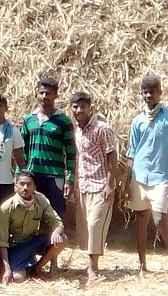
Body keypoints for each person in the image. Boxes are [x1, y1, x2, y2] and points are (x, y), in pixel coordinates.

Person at [124, 75, 168, 284]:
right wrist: (127, 180)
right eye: (145, 91)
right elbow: (131, 152)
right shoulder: (137, 120)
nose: (148, 95)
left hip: (161, 177)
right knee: (141, 219)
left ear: (160, 92)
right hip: (139, 175)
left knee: (160, 220)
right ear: (141, 93)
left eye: (152, 91)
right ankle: (142, 266)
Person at [21, 77, 74, 272]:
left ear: (56, 95)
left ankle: (52, 261)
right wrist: (20, 175)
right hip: (32, 176)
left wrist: (70, 178)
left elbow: (71, 152)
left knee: (55, 219)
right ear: (36, 93)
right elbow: (22, 151)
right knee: (32, 218)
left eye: (49, 93)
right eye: (42, 92)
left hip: (54, 177)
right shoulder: (28, 119)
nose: (45, 96)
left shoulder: (63, 121)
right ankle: (30, 259)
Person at [70, 91, 117, 284]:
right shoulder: (77, 130)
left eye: (83, 106)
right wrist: (74, 185)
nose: (79, 110)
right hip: (84, 185)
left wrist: (110, 183)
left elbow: (112, 156)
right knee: (86, 229)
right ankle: (89, 266)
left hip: (100, 186)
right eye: (75, 106)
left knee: (94, 225)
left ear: (90, 107)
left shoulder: (101, 128)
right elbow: (78, 159)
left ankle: (93, 271)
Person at [0, 170, 66, 285]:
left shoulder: (41, 200)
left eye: (29, 184)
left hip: (34, 241)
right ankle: (25, 264)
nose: (25, 188)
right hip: (16, 246)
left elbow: (57, 222)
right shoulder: (6, 208)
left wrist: (56, 231)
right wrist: (7, 269)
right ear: (15, 187)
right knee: (18, 278)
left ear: (34, 187)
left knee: (62, 239)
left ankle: (37, 268)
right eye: (22, 184)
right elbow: (2, 241)